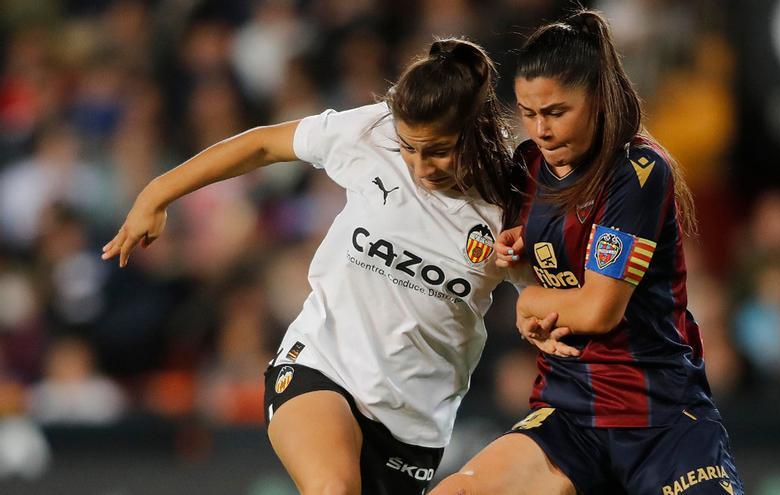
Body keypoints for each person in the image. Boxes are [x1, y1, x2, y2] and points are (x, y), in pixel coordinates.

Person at [102, 38, 534, 495]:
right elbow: (263, 145)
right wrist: (157, 193)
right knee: (333, 488)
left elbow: (541, 297)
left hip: (414, 424)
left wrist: (538, 314)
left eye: (439, 150)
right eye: (410, 147)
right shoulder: (370, 133)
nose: (420, 166)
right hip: (321, 364)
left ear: (474, 128)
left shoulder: (510, 203)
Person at [431, 10, 743, 495]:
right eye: (528, 113)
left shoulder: (636, 171)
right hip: (568, 414)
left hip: (659, 419)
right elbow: (538, 258)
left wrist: (531, 304)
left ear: (597, 99)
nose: (541, 129)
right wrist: (520, 259)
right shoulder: (528, 165)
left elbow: (599, 309)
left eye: (556, 112)